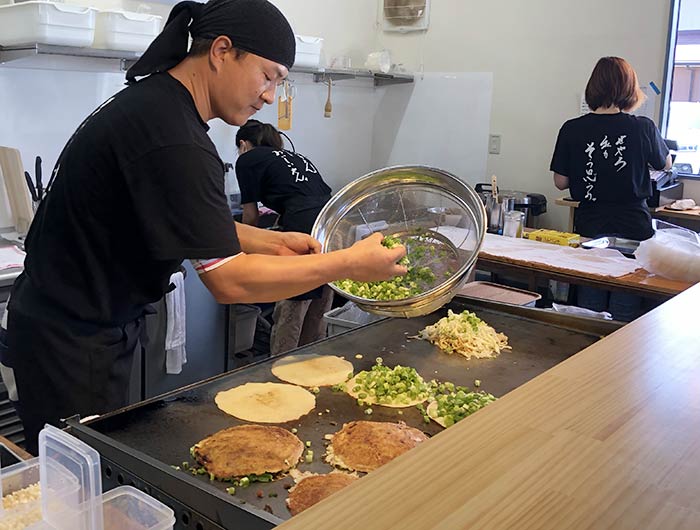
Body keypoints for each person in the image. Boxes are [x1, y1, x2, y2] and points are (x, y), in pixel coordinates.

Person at [0, 0, 406, 454]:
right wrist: (347, 264)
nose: (270, 96)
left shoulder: (159, 105)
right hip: (71, 339)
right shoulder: (175, 138)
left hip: (72, 324)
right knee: (77, 482)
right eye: (268, 75)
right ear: (221, 51)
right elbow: (229, 281)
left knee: (90, 466)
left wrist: (271, 241)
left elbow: (190, 222)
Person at [550, 56, 672, 320]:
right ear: (629, 89)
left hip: (591, 223)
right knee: (625, 300)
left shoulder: (572, 128)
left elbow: (561, 182)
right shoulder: (642, 127)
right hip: (633, 226)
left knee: (590, 301)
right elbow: (665, 163)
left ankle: (586, 357)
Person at [235, 120, 333, 354]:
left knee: (293, 303)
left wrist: (240, 248)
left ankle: (280, 369)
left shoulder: (247, 159)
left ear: (243, 144)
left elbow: (250, 216)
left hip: (304, 223)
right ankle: (311, 364)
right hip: (331, 221)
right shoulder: (295, 157)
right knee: (320, 298)